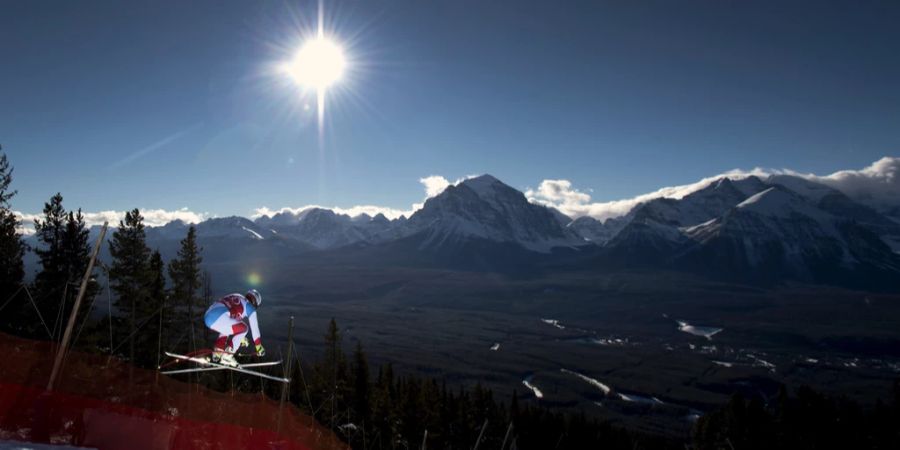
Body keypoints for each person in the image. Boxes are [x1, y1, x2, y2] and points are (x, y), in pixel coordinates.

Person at [203, 289, 265, 367]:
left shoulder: (237, 296)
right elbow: (255, 329)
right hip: (219, 316)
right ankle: (227, 356)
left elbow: (228, 326)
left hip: (208, 315)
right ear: (255, 303)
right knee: (245, 328)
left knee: (227, 328)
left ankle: (217, 353)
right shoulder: (250, 307)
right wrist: (259, 347)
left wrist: (240, 338)